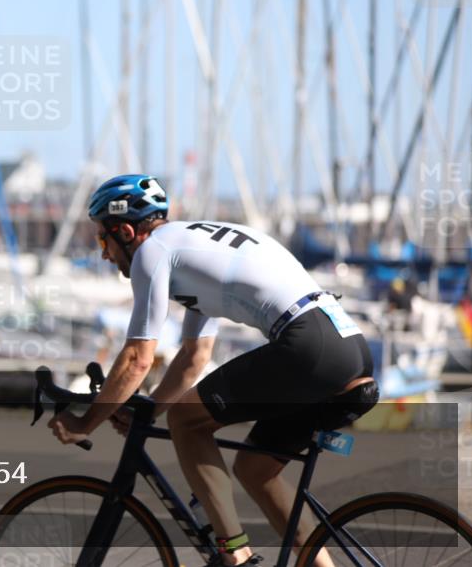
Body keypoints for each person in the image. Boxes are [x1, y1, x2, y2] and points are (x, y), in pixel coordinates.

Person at [48, 174, 377, 567]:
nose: (104, 253)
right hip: (347, 345)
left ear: (126, 231)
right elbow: (193, 359)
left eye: (103, 240)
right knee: (256, 469)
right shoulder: (191, 248)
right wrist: (150, 409)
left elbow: (138, 357)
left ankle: (233, 553)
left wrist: (86, 422)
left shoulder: (152, 252)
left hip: (310, 343)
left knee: (188, 420)